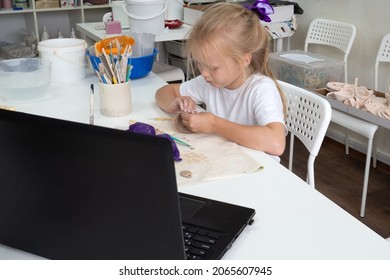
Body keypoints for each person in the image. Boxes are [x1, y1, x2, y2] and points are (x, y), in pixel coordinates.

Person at [155, 2, 287, 159]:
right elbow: (163, 92)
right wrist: (173, 103)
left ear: (244, 60)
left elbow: (276, 143)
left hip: (260, 172)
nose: (204, 73)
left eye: (213, 68)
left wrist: (213, 124)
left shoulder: (260, 89)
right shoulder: (209, 82)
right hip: (227, 160)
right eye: (199, 64)